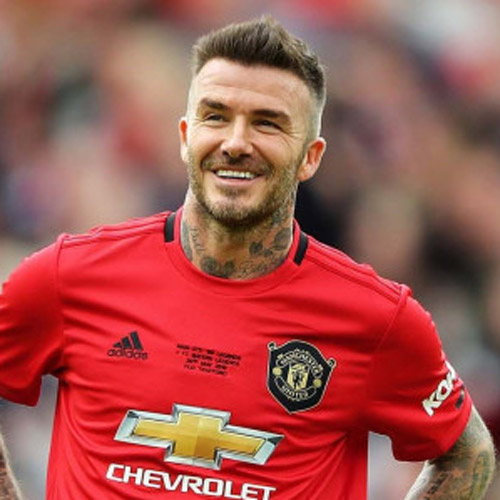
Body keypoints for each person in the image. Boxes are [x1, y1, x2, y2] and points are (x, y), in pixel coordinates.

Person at [0, 16, 495, 500]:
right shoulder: (68, 276)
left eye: (267, 123)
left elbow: (468, 454)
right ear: (185, 135)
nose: (236, 143)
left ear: (310, 156)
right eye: (216, 116)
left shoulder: (377, 320)